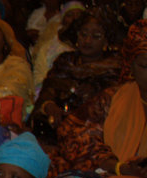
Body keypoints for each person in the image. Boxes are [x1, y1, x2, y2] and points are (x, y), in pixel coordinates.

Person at [56, 19, 147, 177]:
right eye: (144, 66)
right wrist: (117, 167)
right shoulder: (112, 98)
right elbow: (70, 132)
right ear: (130, 65)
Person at [31, 9, 121, 144]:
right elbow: (47, 92)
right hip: (54, 129)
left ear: (106, 41)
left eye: (96, 36)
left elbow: (114, 108)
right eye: (83, 34)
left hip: (95, 134)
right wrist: (49, 105)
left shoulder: (115, 68)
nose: (87, 40)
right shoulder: (64, 61)